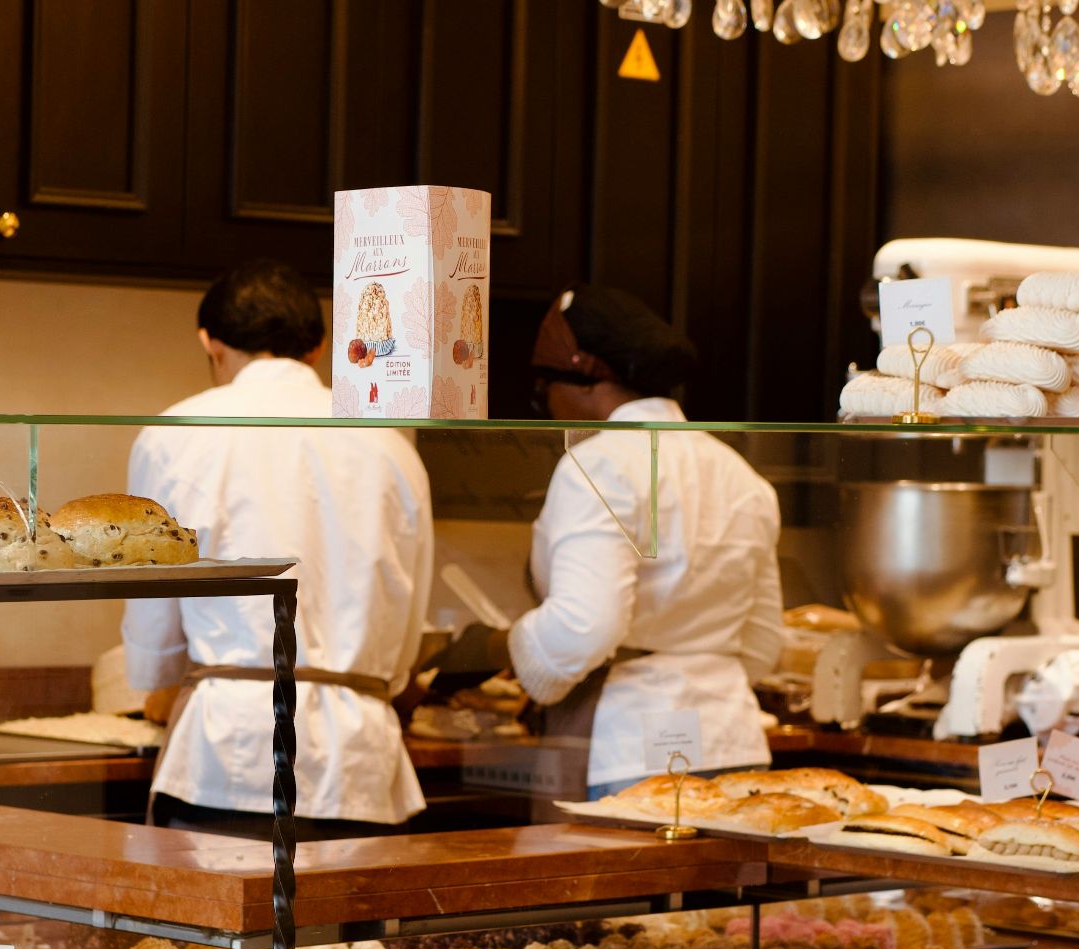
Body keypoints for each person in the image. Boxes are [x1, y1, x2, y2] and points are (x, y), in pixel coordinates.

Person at [123, 258, 434, 839]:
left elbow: (153, 628)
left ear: (210, 343)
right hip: (361, 759)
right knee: (350, 934)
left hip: (225, 751)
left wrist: (157, 675)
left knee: (217, 931)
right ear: (317, 348)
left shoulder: (173, 432)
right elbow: (404, 637)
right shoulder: (392, 442)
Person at [440, 286, 783, 799]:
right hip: (733, 741)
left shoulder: (596, 465)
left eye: (544, 390)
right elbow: (761, 641)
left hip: (629, 744)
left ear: (583, 377)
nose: (548, 408)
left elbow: (586, 627)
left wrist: (499, 647)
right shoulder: (741, 475)